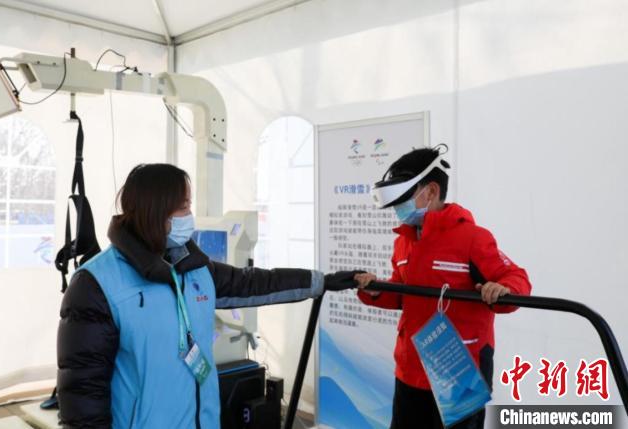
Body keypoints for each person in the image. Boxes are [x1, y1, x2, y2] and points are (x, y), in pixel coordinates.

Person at [57, 163, 360, 428]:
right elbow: (83, 394)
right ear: (155, 210)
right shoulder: (96, 284)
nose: (190, 216)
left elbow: (255, 284)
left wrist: (322, 282)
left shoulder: (193, 268)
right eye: (183, 207)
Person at [355, 146, 532, 429]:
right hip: (410, 367)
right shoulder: (403, 241)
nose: (399, 209)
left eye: (405, 198)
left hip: (460, 370)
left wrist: (502, 289)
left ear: (431, 190)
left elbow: (516, 277)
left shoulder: (473, 238)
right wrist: (375, 290)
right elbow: (402, 294)